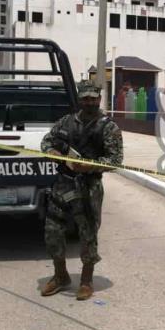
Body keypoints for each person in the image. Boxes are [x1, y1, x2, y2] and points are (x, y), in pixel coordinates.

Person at [40, 81, 123, 300]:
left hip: (89, 187)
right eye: (85, 98)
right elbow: (46, 141)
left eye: (93, 98)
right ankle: (60, 276)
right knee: (52, 231)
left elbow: (116, 160)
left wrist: (91, 165)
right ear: (79, 99)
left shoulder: (108, 126)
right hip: (63, 182)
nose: (89, 102)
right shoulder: (66, 122)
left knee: (88, 233)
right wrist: (53, 153)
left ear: (99, 98)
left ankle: (86, 281)